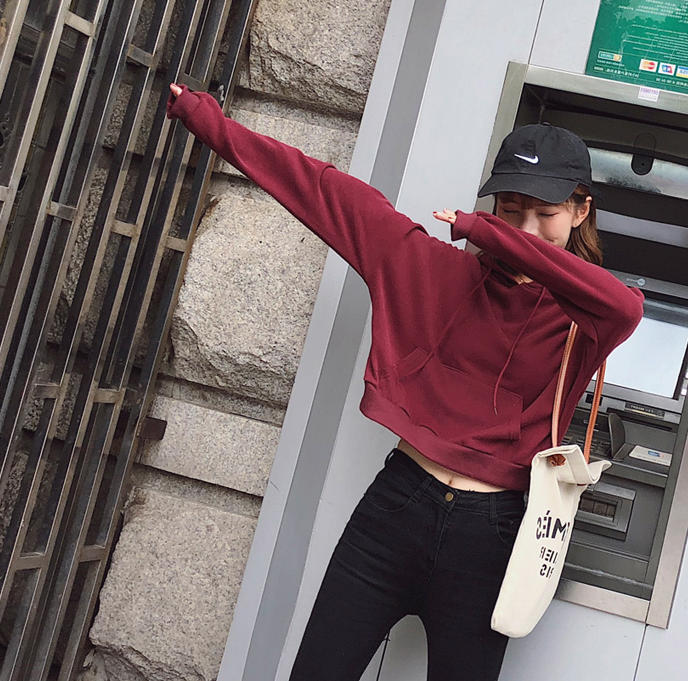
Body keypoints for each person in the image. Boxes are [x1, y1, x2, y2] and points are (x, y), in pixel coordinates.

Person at [167, 83, 643, 681]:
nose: (525, 229)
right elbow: (323, 191)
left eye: (545, 214)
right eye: (509, 210)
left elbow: (626, 308)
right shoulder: (430, 267)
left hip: (492, 532)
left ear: (580, 211)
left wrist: (488, 232)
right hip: (396, 507)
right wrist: (206, 119)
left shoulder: (585, 315)